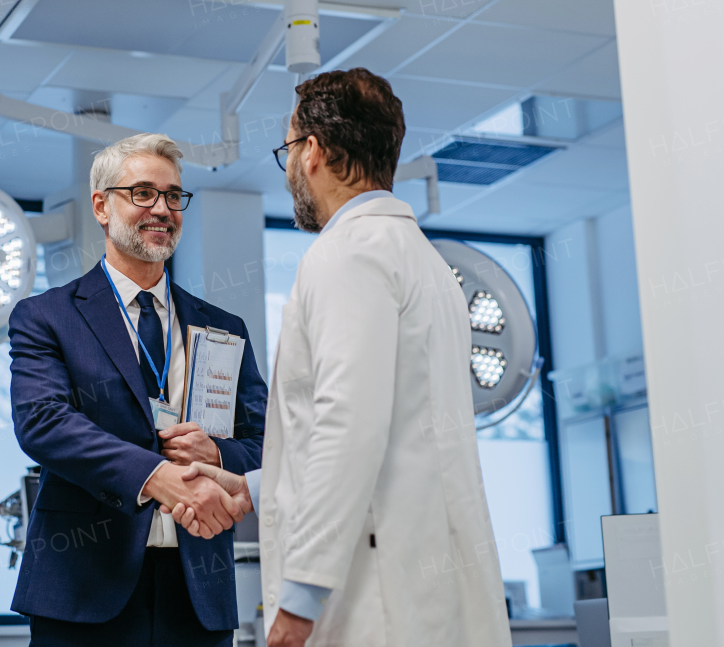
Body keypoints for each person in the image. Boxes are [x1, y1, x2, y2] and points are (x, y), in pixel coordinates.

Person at [169, 69, 510, 647]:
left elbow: (349, 428)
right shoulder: (427, 264)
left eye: (287, 150)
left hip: (373, 603)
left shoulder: (345, 254)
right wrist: (253, 487)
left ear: (313, 153)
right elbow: (394, 437)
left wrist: (299, 603)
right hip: (427, 592)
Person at [8, 132, 269, 647]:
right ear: (102, 206)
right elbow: (44, 423)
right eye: (143, 193)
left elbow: (267, 444)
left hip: (198, 593)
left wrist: (217, 450)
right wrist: (157, 477)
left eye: (174, 195)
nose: (163, 209)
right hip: (84, 587)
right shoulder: (47, 317)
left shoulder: (223, 327)